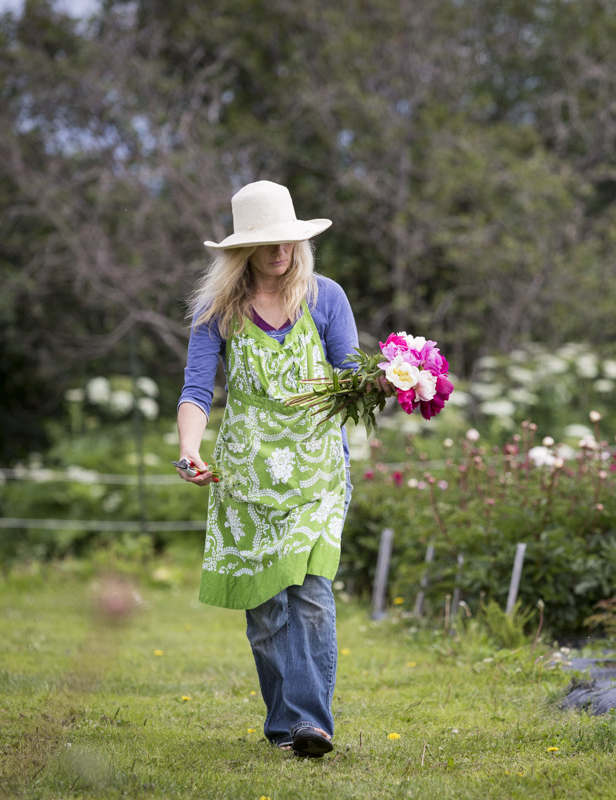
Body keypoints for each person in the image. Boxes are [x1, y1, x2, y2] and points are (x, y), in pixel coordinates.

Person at [176, 180, 358, 758]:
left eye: (288, 239)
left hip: (316, 474)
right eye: (268, 242)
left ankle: (311, 724)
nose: (281, 251)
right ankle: (284, 725)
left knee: (309, 592)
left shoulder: (326, 297)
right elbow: (196, 390)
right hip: (247, 478)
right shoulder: (219, 313)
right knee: (266, 608)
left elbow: (350, 376)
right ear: (242, 250)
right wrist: (189, 448)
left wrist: (390, 380)